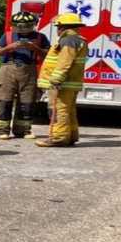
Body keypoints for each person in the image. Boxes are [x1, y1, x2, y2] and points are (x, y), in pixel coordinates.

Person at [0, 11, 50, 140]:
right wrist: (9, 47)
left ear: (33, 25)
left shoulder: (40, 37)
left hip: (29, 69)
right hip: (8, 68)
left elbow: (47, 54)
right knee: (4, 99)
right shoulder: (8, 36)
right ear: (14, 25)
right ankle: (0, 130)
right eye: (19, 26)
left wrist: (34, 48)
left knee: (27, 100)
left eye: (26, 26)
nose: (23, 29)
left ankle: (23, 130)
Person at [35, 12, 87, 148]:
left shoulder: (68, 40)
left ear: (63, 27)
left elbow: (65, 60)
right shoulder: (76, 39)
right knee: (69, 110)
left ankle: (58, 138)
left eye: (58, 27)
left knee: (58, 110)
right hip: (71, 82)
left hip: (62, 83)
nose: (57, 30)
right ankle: (70, 136)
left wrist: (57, 79)